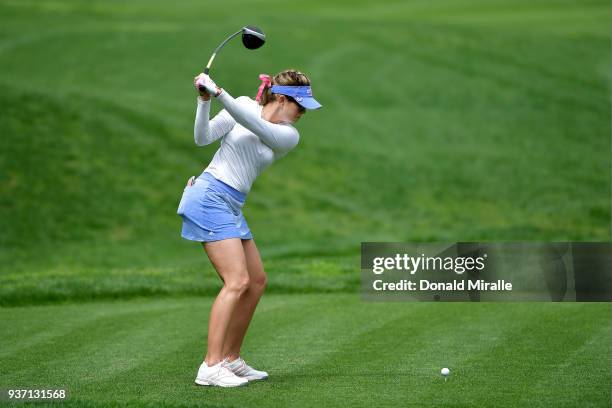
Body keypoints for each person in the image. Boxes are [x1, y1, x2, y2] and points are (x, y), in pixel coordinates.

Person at [176, 69, 322, 387]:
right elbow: (202, 138)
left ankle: (231, 358)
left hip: (231, 204)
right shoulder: (241, 104)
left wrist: (219, 94)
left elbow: (255, 124)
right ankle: (210, 366)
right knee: (237, 281)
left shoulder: (287, 135)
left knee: (256, 281)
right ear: (283, 99)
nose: (303, 114)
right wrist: (204, 101)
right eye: (301, 107)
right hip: (209, 196)